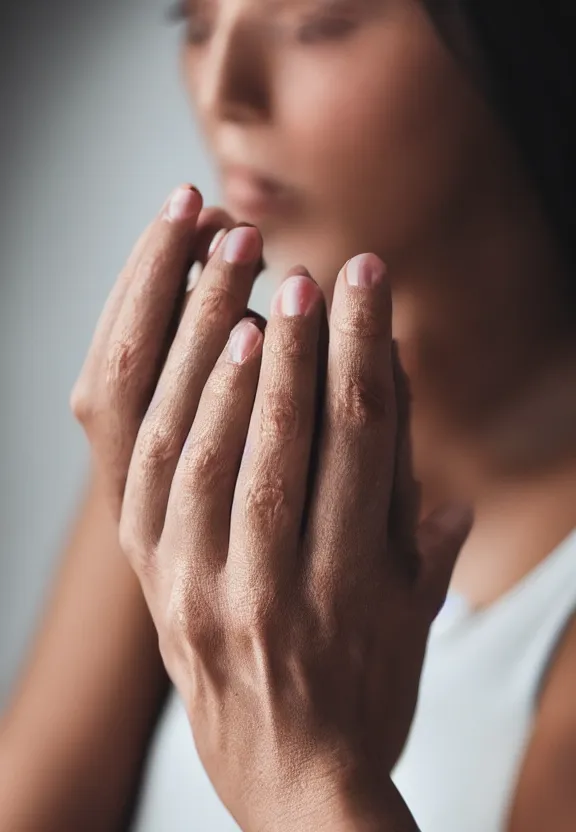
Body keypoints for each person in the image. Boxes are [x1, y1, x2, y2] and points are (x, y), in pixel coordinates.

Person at [1, 1, 575, 830]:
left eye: (315, 23)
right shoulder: (215, 434)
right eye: (193, 24)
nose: (222, 90)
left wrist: (308, 771)